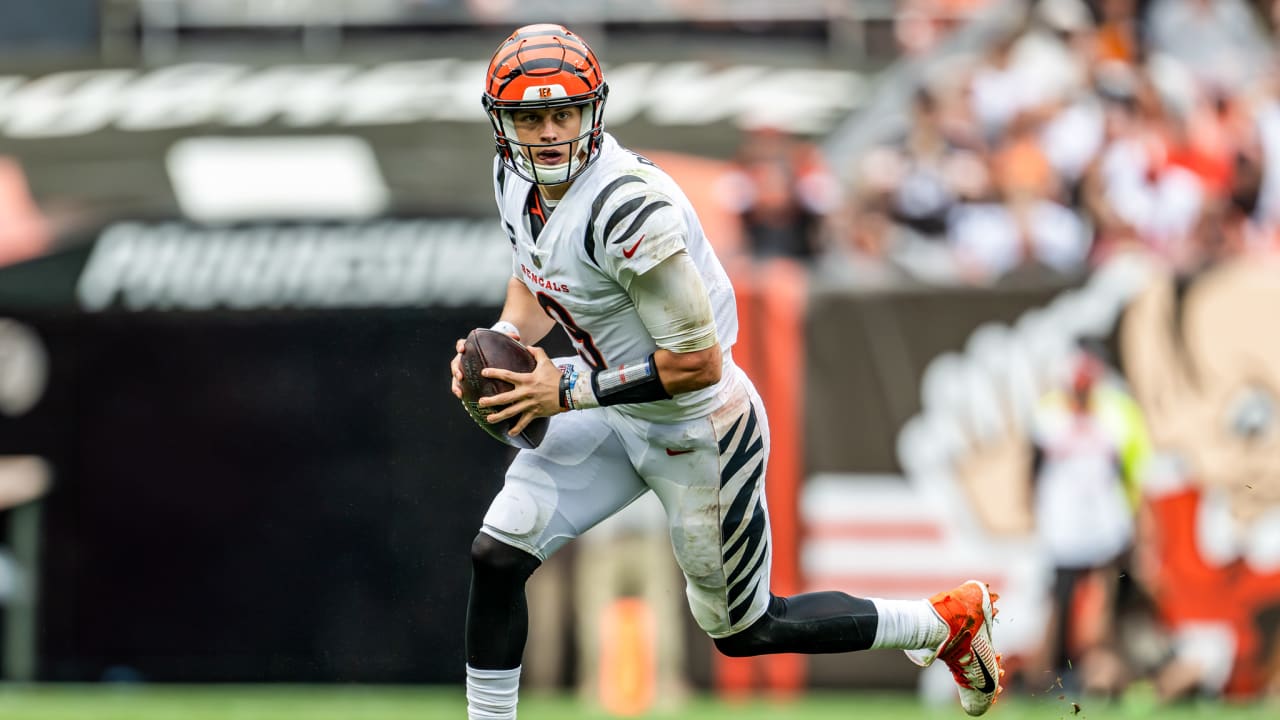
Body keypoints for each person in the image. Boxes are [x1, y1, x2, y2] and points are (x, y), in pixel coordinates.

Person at [449, 24, 1004, 720]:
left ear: (594, 111)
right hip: (608, 403)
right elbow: (536, 273)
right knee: (497, 554)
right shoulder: (515, 177)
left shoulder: (627, 208)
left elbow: (695, 363)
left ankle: (945, 622)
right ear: (504, 124)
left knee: (744, 630)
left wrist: (561, 388)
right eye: (532, 117)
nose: (552, 132)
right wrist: (501, 341)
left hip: (696, 424)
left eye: (565, 112)